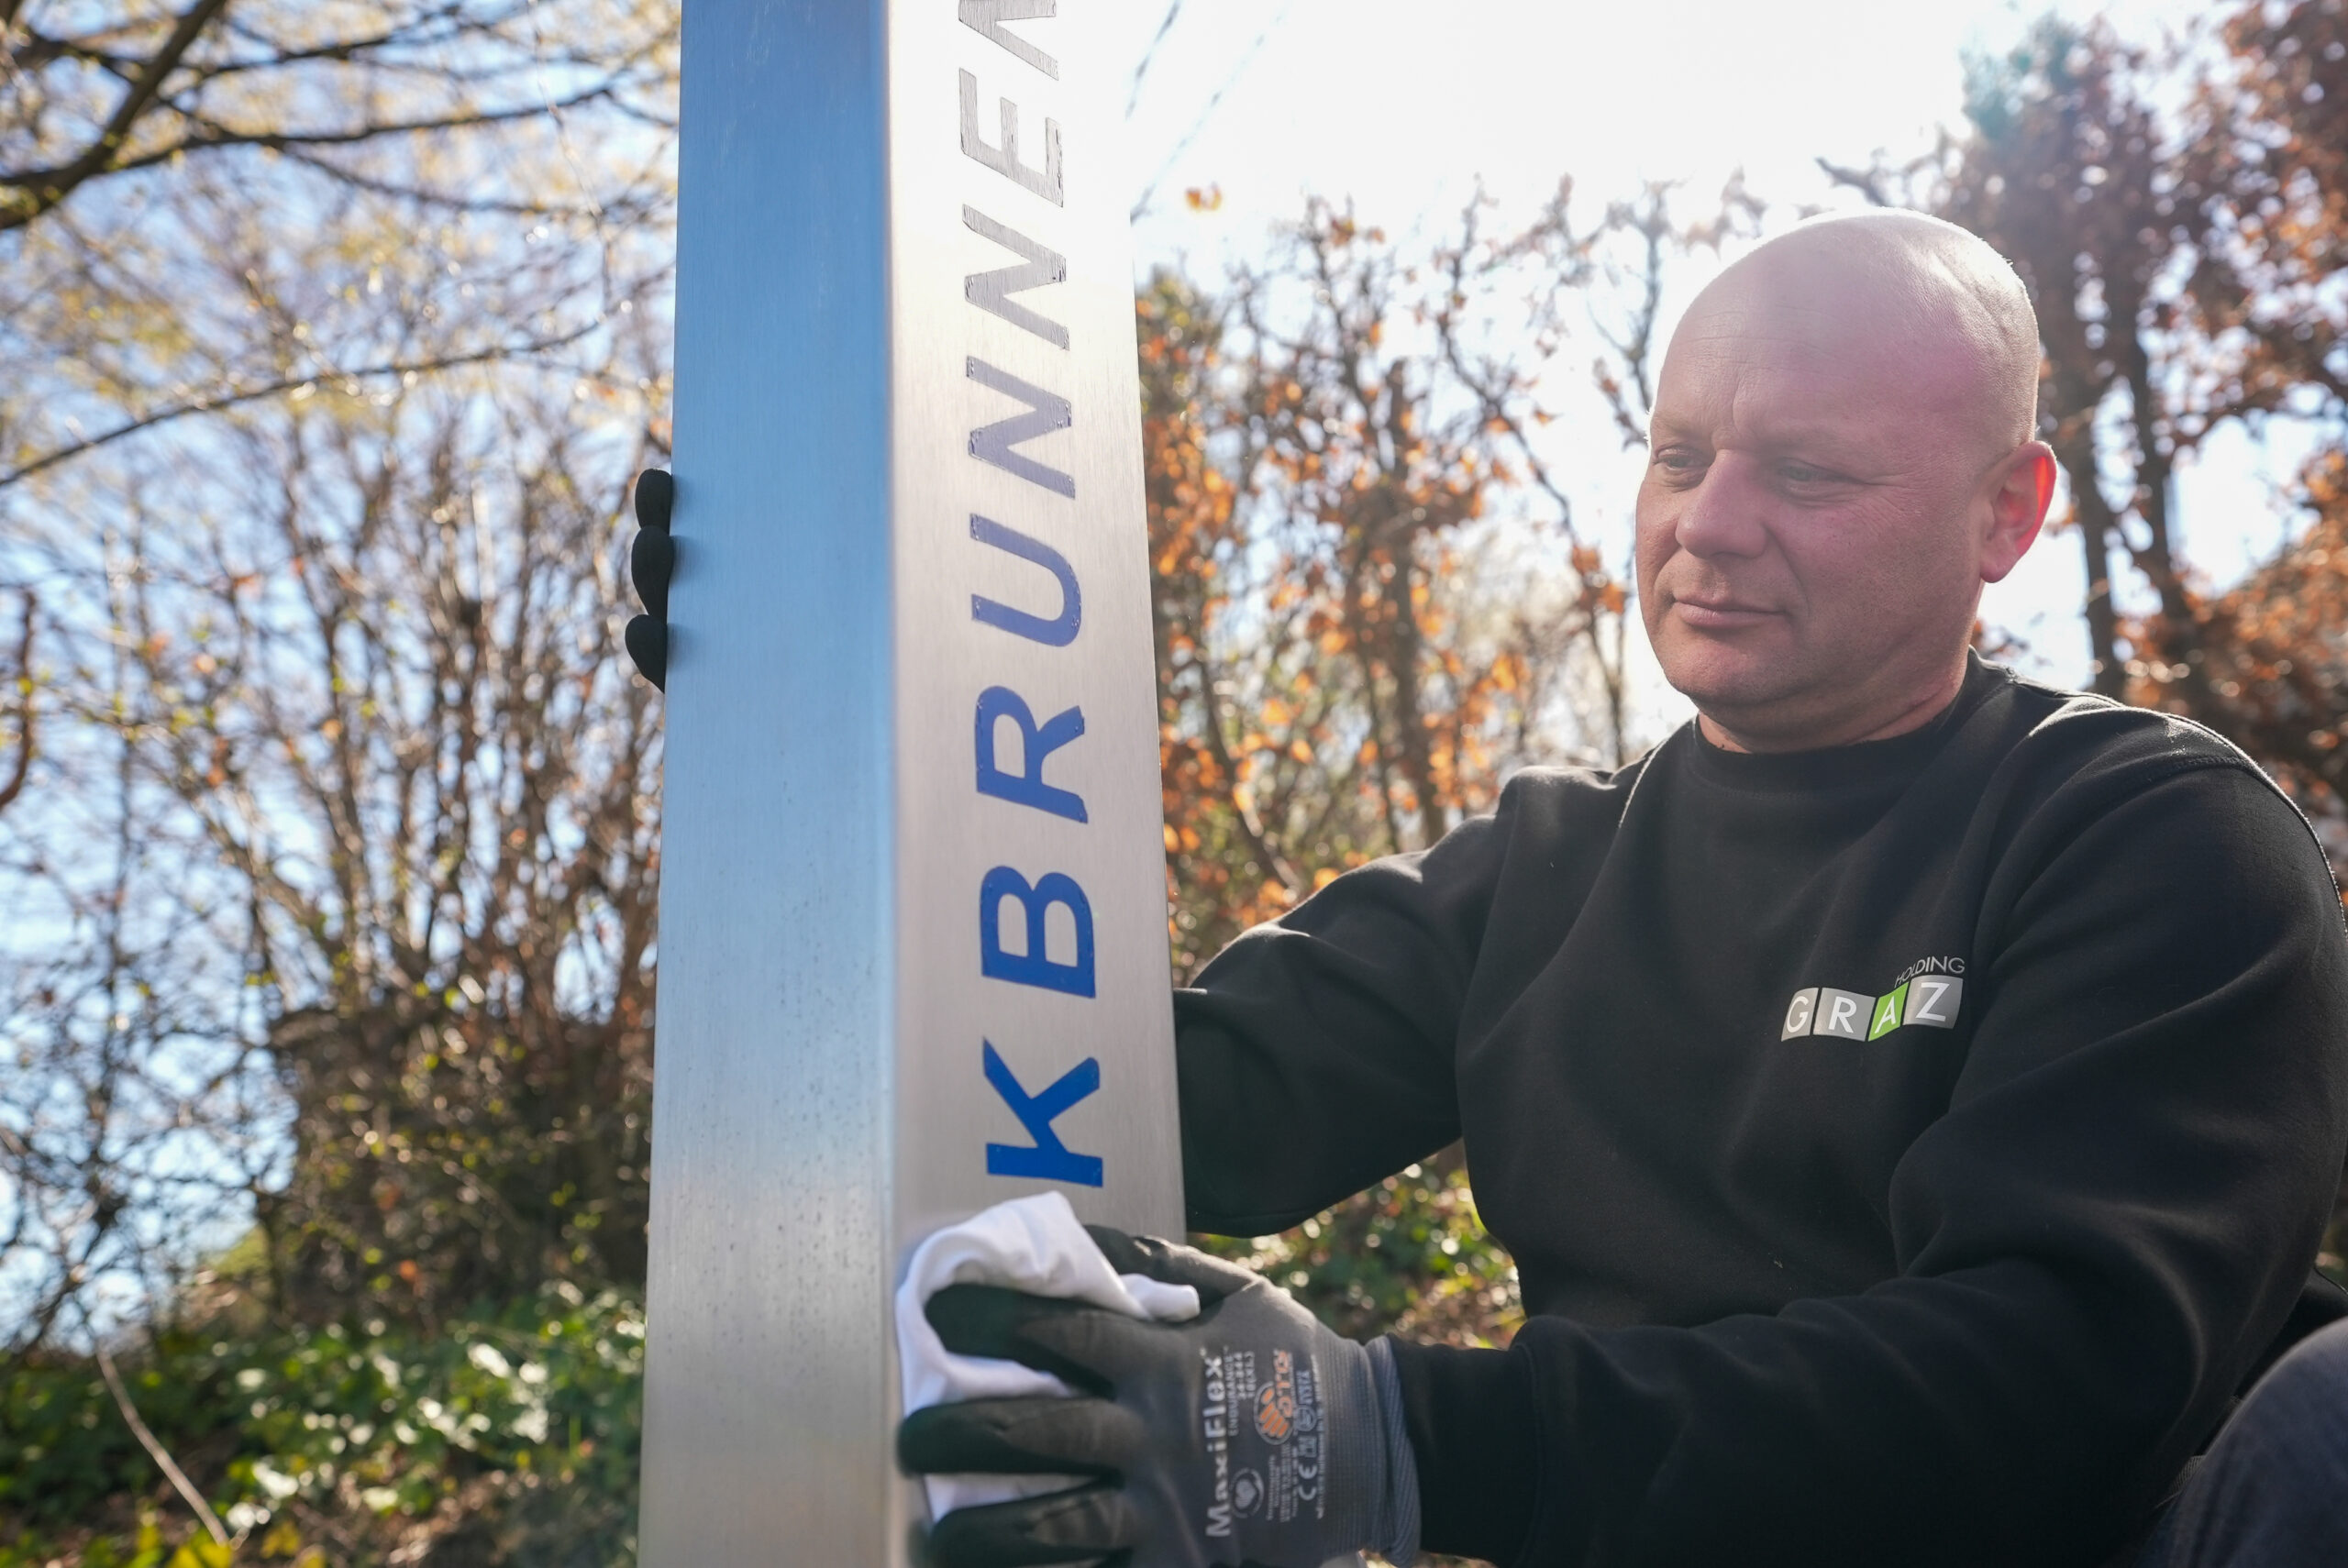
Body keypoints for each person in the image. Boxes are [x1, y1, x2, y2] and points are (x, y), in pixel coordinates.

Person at [626, 211, 2348, 1566]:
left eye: (1807, 473)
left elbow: (2054, 1386)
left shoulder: (2149, 837)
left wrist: (1379, 1440)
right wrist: (819, 718)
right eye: (1680, 456)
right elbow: (1120, 1101)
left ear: (2007, 513)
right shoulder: (1546, 869)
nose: (1708, 525)